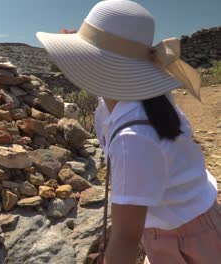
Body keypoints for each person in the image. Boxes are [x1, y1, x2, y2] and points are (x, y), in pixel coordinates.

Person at [36, 0, 220, 263]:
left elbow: (125, 239)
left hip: (185, 239)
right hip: (191, 222)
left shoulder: (132, 140)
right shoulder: (141, 99)